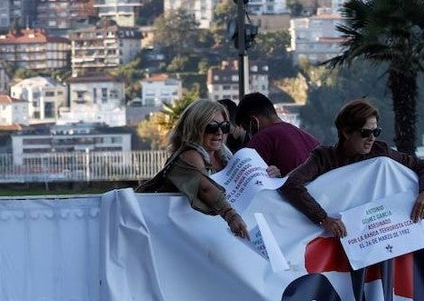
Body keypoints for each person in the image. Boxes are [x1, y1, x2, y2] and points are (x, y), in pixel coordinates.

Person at [280, 99, 424, 237]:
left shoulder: (380, 151)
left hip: (378, 234)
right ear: (346, 132)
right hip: (339, 236)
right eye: (365, 133)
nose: (372, 138)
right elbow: (292, 184)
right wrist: (323, 219)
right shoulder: (323, 158)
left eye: (376, 132)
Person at [138, 98, 248, 238]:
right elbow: (206, 188)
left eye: (224, 126)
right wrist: (231, 216)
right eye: (212, 127)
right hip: (176, 238)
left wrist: (269, 175)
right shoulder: (190, 156)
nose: (219, 132)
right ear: (195, 128)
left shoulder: (225, 156)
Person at [235, 92, 321, 176]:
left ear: (253, 121)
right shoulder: (311, 140)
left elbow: (245, 179)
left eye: (247, 129)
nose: (248, 135)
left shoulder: (262, 138)